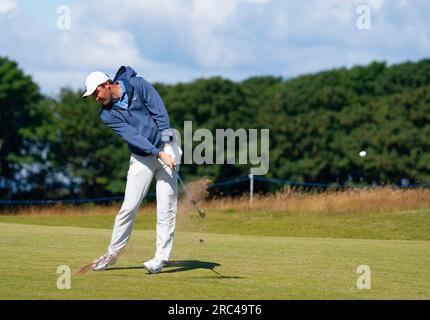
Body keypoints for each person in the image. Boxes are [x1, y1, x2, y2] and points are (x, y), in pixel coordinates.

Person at [82, 66, 182, 274]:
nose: (96, 98)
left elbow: (160, 113)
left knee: (166, 207)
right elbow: (132, 136)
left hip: (167, 146)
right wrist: (157, 153)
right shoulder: (106, 115)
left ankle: (160, 259)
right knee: (129, 206)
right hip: (142, 155)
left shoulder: (139, 85)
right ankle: (111, 254)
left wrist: (166, 147)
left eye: (96, 93)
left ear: (107, 85)